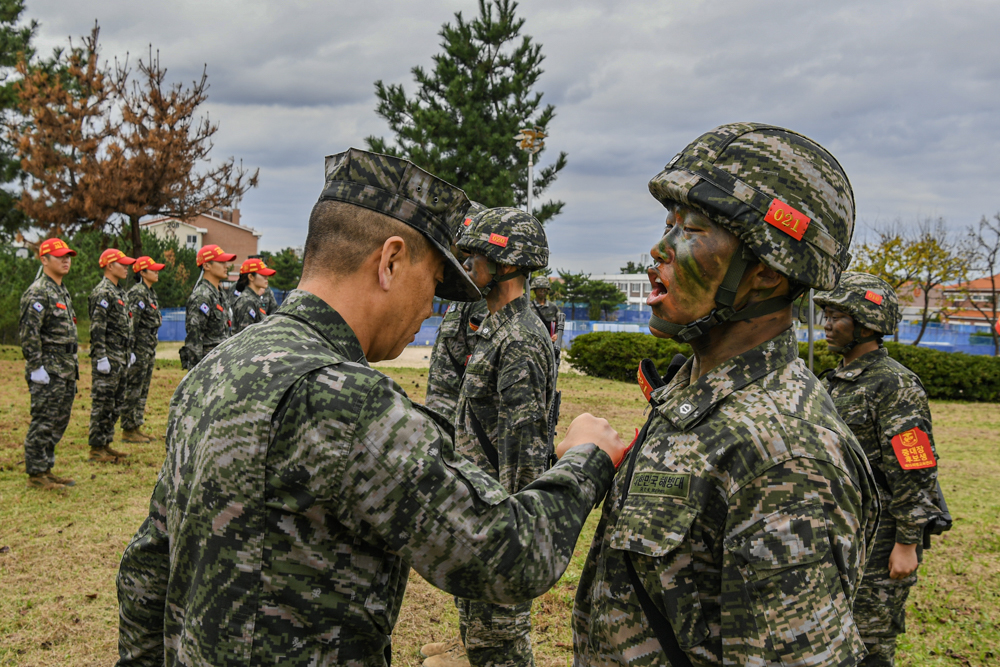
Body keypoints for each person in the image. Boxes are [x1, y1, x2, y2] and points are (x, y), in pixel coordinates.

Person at [115, 148, 628, 667]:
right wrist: (587, 458)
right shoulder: (349, 402)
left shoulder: (218, 367)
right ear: (390, 261)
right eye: (433, 283)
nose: (432, 307)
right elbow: (509, 556)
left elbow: (145, 574)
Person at [572, 123, 879, 666]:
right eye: (668, 225)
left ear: (762, 272)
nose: (659, 249)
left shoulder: (787, 455)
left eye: (689, 229)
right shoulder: (695, 395)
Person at [425, 208, 557, 667]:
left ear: (505, 264)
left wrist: (513, 546)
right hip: (479, 511)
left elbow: (525, 454)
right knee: (476, 634)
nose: (466, 266)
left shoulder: (519, 338)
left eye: (474, 257)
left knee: (497, 646)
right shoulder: (498, 327)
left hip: (502, 526)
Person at [815, 272, 945, 667]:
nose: (826, 323)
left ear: (867, 324)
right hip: (839, 526)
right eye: (825, 314)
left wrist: (907, 542)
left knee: (869, 640)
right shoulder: (833, 381)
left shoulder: (894, 385)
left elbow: (915, 467)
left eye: (837, 315)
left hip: (880, 533)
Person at [19, 237, 80, 490]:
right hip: (48, 368)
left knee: (59, 420)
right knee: (43, 419)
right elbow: (29, 332)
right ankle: (36, 473)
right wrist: (36, 367)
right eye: (59, 256)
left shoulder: (61, 290)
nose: (66, 260)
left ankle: (46, 467)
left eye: (68, 256)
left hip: (65, 368)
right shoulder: (38, 291)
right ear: (44, 260)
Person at [425, 201, 489, 420]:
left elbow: (480, 374)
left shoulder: (483, 297)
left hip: (459, 422)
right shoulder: (464, 291)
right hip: (442, 413)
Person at [88, 248, 136, 463]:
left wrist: (130, 351)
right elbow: (98, 328)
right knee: (103, 402)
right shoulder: (103, 292)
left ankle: (106, 443)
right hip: (109, 355)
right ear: (109, 266)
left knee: (116, 402)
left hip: (121, 355)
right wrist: (101, 357)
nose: (126, 267)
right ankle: (96, 447)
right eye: (122, 264)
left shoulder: (119, 292)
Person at [121, 256, 165, 444]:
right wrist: (130, 350)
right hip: (138, 349)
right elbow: (132, 324)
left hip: (148, 348)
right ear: (142, 272)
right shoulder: (138, 293)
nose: (156, 272)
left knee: (143, 388)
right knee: (134, 387)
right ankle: (128, 428)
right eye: (152, 269)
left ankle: (136, 425)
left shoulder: (150, 293)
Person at [179, 244, 236, 370]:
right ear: (206, 265)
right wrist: (195, 372)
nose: (226, 266)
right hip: (208, 367)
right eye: (221, 262)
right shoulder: (201, 297)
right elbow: (194, 338)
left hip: (221, 363)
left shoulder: (220, 295)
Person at [230, 257, 277, 334]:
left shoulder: (254, 299)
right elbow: (245, 336)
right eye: (262, 274)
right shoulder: (247, 301)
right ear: (251, 277)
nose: (266, 277)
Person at [529, 275, 564, 368]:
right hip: (533, 345)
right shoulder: (528, 308)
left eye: (544, 289)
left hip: (550, 346)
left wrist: (556, 335)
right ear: (534, 290)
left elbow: (560, 325)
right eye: (539, 289)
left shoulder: (553, 308)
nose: (542, 291)